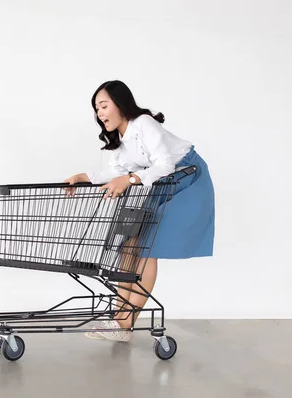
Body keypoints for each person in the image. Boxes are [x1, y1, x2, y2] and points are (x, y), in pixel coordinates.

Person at [64, 80, 215, 342]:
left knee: (148, 246)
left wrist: (131, 180)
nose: (99, 113)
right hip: (166, 184)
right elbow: (115, 173)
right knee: (129, 246)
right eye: (96, 109)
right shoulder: (120, 140)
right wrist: (82, 176)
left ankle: (124, 323)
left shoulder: (144, 123)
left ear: (121, 104)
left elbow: (165, 164)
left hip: (189, 179)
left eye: (103, 105)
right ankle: (119, 321)